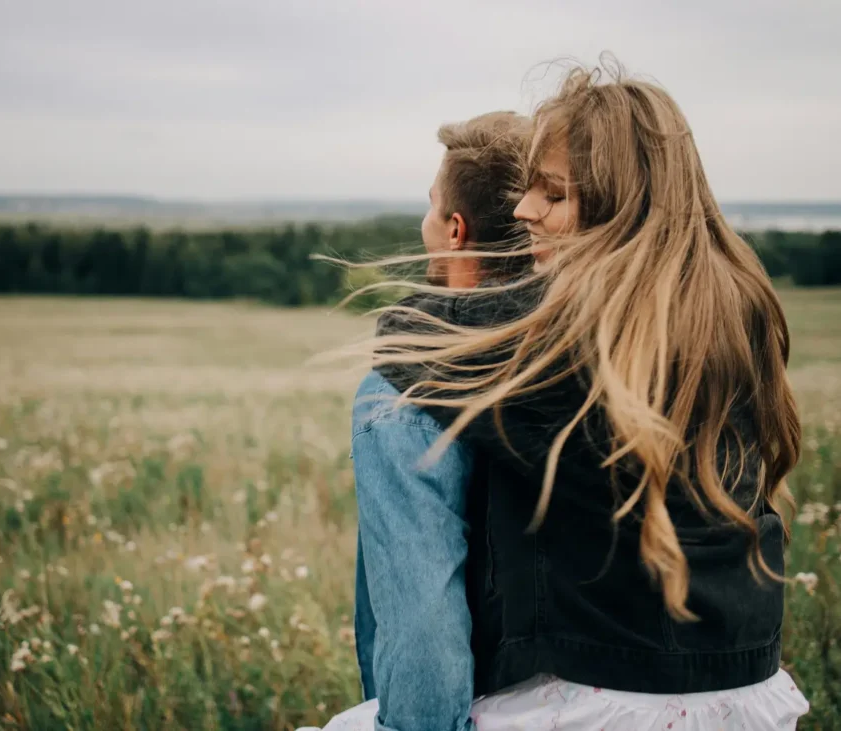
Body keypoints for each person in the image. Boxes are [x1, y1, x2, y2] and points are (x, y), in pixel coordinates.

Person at [310, 62, 811, 730]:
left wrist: (422, 321)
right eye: (525, 192)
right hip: (747, 690)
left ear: (617, 205)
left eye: (552, 195)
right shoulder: (732, 307)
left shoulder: (558, 344)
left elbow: (413, 334)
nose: (525, 212)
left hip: (611, 699)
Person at [351, 110, 533, 727]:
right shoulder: (598, 359)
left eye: (431, 208)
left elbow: (421, 621)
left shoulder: (402, 390)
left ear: (455, 230)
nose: (421, 223)